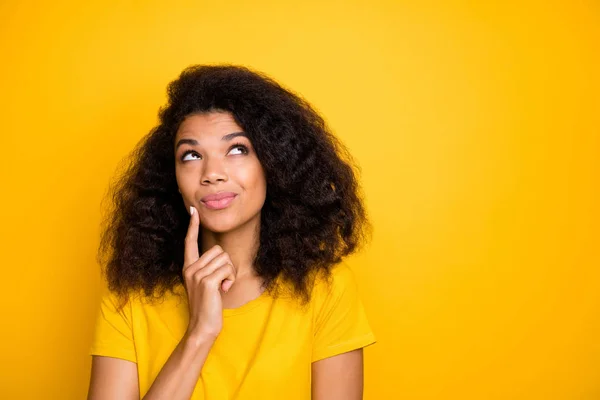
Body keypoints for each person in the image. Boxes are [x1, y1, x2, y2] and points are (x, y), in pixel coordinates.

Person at [87, 64, 376, 400]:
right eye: (192, 155)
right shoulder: (128, 299)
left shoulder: (326, 289)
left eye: (237, 149)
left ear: (273, 164)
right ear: (173, 180)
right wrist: (199, 333)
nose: (212, 173)